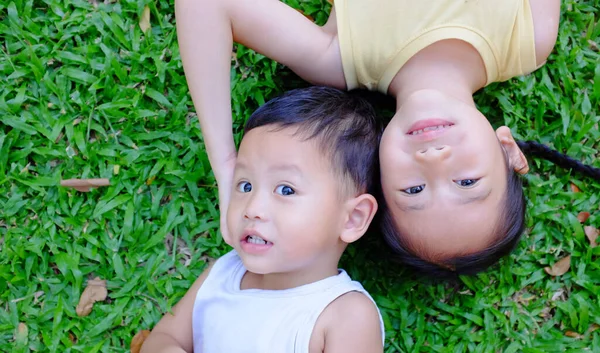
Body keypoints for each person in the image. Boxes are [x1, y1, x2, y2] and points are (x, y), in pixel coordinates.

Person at [174, 0, 599, 276]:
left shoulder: (335, 58)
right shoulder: (528, 40)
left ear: (379, 169)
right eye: (467, 182)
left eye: (413, 189)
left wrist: (226, 165)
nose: (434, 158)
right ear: (508, 150)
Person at [141, 87, 385, 353]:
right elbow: (163, 337)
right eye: (245, 186)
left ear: (352, 218)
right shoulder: (223, 273)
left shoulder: (345, 316)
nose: (252, 208)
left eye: (286, 190)